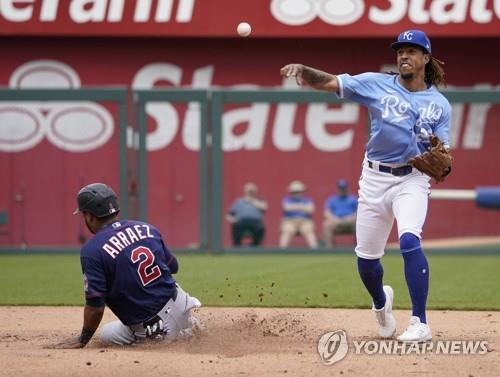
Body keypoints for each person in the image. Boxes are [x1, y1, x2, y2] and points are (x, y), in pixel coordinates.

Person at [280, 29, 452, 342]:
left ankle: (420, 322)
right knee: (367, 259)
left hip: (412, 178)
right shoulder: (377, 84)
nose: (404, 56)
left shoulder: (440, 105)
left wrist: (441, 159)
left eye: (412, 51)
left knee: (410, 240)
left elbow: (444, 152)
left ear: (426, 58)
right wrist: (305, 71)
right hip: (374, 177)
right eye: (400, 50)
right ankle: (380, 303)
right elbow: (332, 81)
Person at [53, 183, 201, 348]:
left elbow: (95, 306)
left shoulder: (92, 250)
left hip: (155, 327)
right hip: (182, 305)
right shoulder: (147, 228)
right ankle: (189, 326)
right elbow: (173, 267)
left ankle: (163, 336)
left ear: (89, 216)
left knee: (106, 334)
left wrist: (83, 339)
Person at [226, 182, 268, 246]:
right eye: (249, 191)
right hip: (241, 222)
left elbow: (265, 207)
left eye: (252, 191)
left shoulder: (260, 200)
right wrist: (233, 220)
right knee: (236, 227)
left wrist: (252, 201)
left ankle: (255, 246)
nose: (250, 192)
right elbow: (228, 215)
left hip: (255, 222)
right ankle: (237, 247)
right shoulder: (239, 201)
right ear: (245, 191)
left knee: (260, 228)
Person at [279, 180, 318, 248]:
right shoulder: (286, 199)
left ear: (302, 192)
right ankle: (282, 251)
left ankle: (315, 252)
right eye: (294, 192)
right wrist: (302, 207)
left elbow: (311, 210)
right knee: (287, 231)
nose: (296, 194)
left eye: (298, 192)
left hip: (305, 221)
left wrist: (294, 207)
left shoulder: (308, 200)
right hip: (290, 221)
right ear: (291, 192)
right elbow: (286, 208)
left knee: (309, 231)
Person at [323, 179, 357, 247]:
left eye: (344, 188)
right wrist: (334, 219)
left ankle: (359, 249)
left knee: (360, 224)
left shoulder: (353, 199)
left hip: (350, 222)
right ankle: (329, 249)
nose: (342, 190)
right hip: (336, 222)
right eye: (341, 188)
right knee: (327, 224)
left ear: (346, 188)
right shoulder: (332, 199)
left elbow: (359, 212)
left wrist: (350, 219)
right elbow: (326, 213)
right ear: (338, 189)